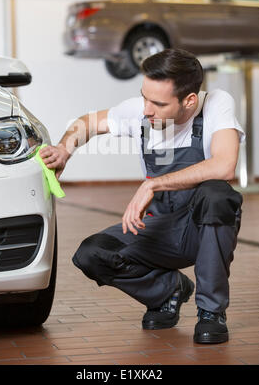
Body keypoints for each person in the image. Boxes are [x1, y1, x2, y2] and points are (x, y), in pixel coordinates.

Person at [40, 48, 244, 344]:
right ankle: (167, 291)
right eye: (144, 97)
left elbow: (225, 164)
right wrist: (64, 149)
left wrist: (152, 185)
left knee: (218, 195)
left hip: (201, 228)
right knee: (91, 254)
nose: (147, 109)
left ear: (189, 101)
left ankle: (211, 312)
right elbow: (87, 122)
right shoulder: (141, 111)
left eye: (158, 103)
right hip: (159, 228)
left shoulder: (216, 104)